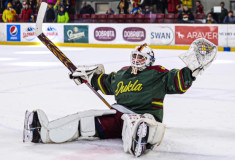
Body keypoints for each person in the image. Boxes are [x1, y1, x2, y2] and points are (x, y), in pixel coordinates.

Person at [23, 38, 217, 157]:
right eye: (134, 56)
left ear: (149, 60)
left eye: (140, 58)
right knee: (85, 119)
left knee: (142, 124)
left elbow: (179, 82)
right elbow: (103, 82)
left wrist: (191, 70)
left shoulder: (158, 74)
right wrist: (85, 76)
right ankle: (41, 132)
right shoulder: (122, 74)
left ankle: (140, 140)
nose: (136, 61)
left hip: (145, 115)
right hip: (118, 115)